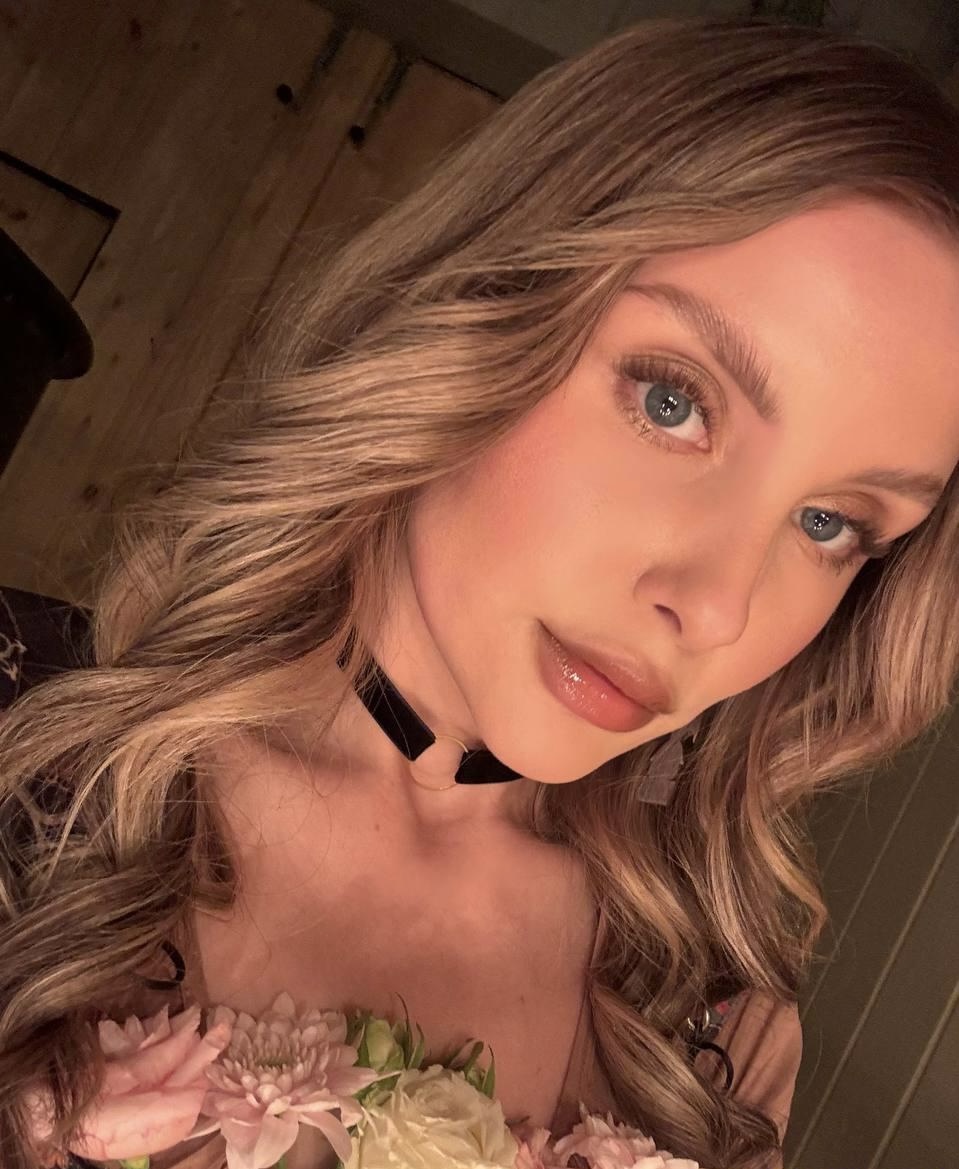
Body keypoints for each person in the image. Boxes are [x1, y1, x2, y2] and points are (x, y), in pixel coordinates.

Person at [3, 14, 959, 1169]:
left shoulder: (714, 1031)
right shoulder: (29, 746)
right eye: (671, 401)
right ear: (478, 305)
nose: (714, 606)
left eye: (829, 523)